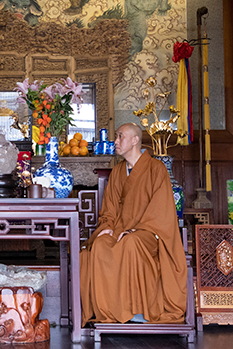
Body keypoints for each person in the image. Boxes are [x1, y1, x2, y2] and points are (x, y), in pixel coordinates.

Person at [79, 123, 187, 325]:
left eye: (120, 137)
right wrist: (107, 227)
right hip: (120, 230)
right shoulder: (118, 171)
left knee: (131, 243)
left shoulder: (156, 169)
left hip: (149, 232)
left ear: (135, 140)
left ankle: (138, 311)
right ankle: (110, 311)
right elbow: (109, 209)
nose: (116, 142)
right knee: (100, 245)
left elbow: (161, 209)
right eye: (116, 137)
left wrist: (136, 229)